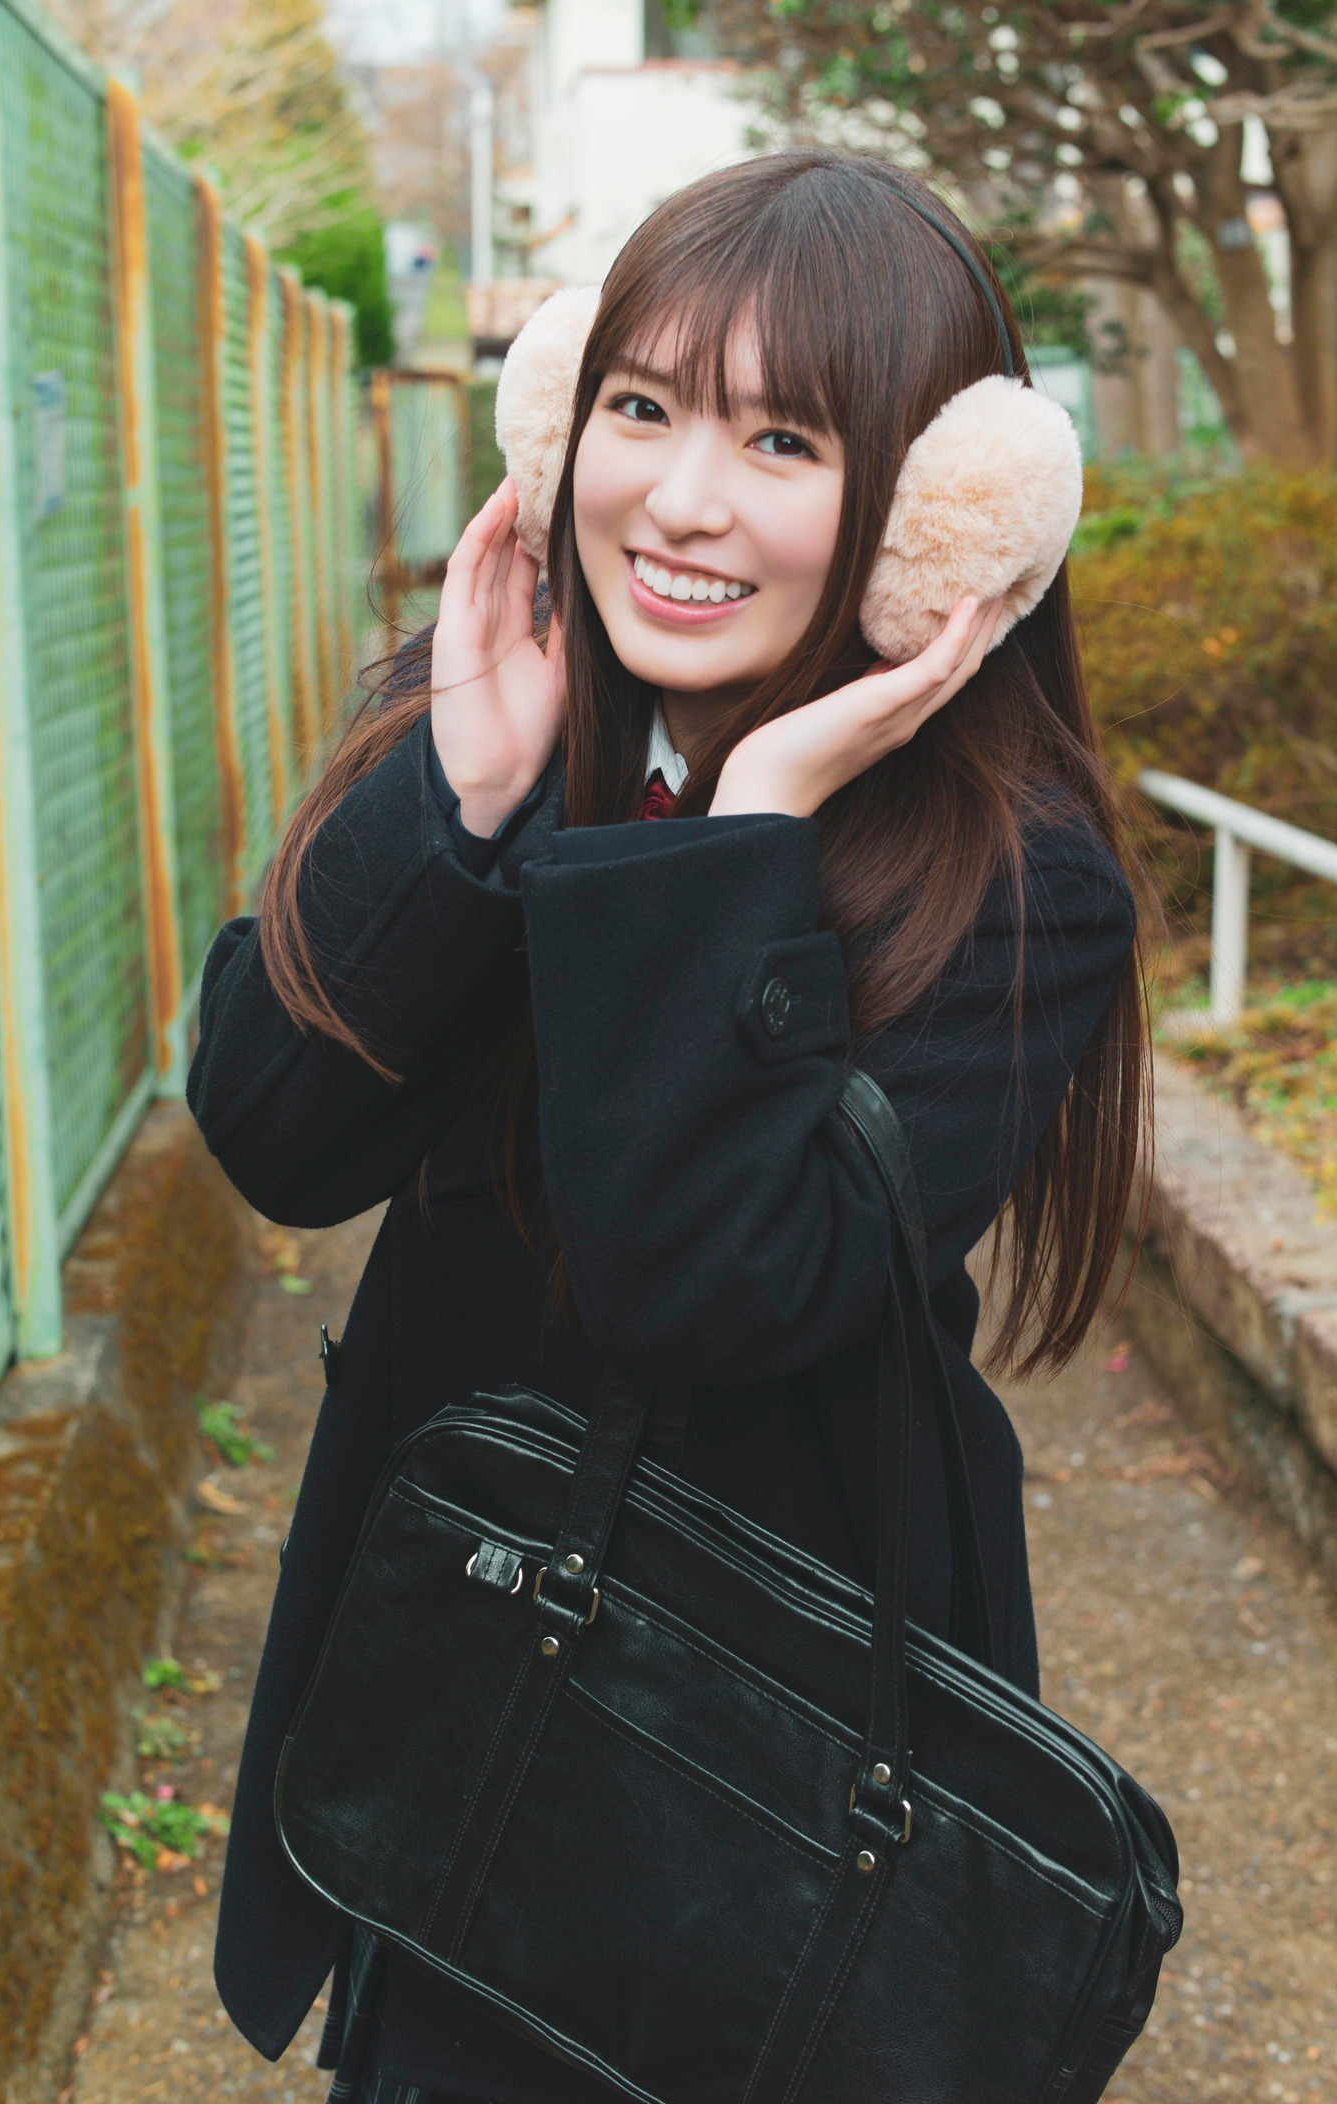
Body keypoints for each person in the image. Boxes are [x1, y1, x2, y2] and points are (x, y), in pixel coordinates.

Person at [187, 149, 1149, 2104]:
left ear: (932, 517)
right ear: (560, 426)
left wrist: (744, 832)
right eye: (638, 409)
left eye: (781, 439)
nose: (682, 499)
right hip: (459, 1664)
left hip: (759, 1742)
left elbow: (701, 1286)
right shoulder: (512, 722)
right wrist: (459, 800)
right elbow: (277, 1132)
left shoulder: (1016, 876)